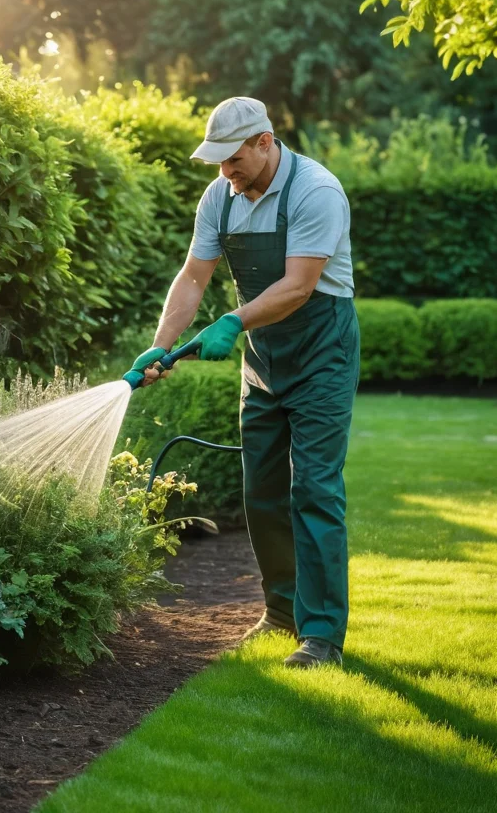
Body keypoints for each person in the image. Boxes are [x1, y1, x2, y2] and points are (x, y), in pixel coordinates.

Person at [138, 96, 359, 668]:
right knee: (261, 493)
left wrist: (233, 319)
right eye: (217, 161)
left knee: (314, 489)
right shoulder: (221, 196)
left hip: (322, 354)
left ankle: (322, 635)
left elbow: (298, 287)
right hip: (264, 360)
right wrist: (163, 345)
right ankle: (281, 614)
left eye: (233, 158)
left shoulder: (316, 190)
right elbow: (193, 276)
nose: (225, 171)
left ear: (265, 142)